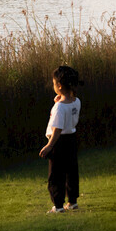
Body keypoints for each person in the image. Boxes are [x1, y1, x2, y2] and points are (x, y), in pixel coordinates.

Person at [39, 65, 81, 213]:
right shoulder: (76, 102)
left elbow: (57, 128)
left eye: (54, 83)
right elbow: (68, 112)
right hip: (71, 140)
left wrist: (50, 145)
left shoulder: (59, 108)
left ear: (59, 86)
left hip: (59, 143)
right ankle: (72, 202)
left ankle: (57, 206)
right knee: (71, 171)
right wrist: (59, 100)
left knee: (56, 175)